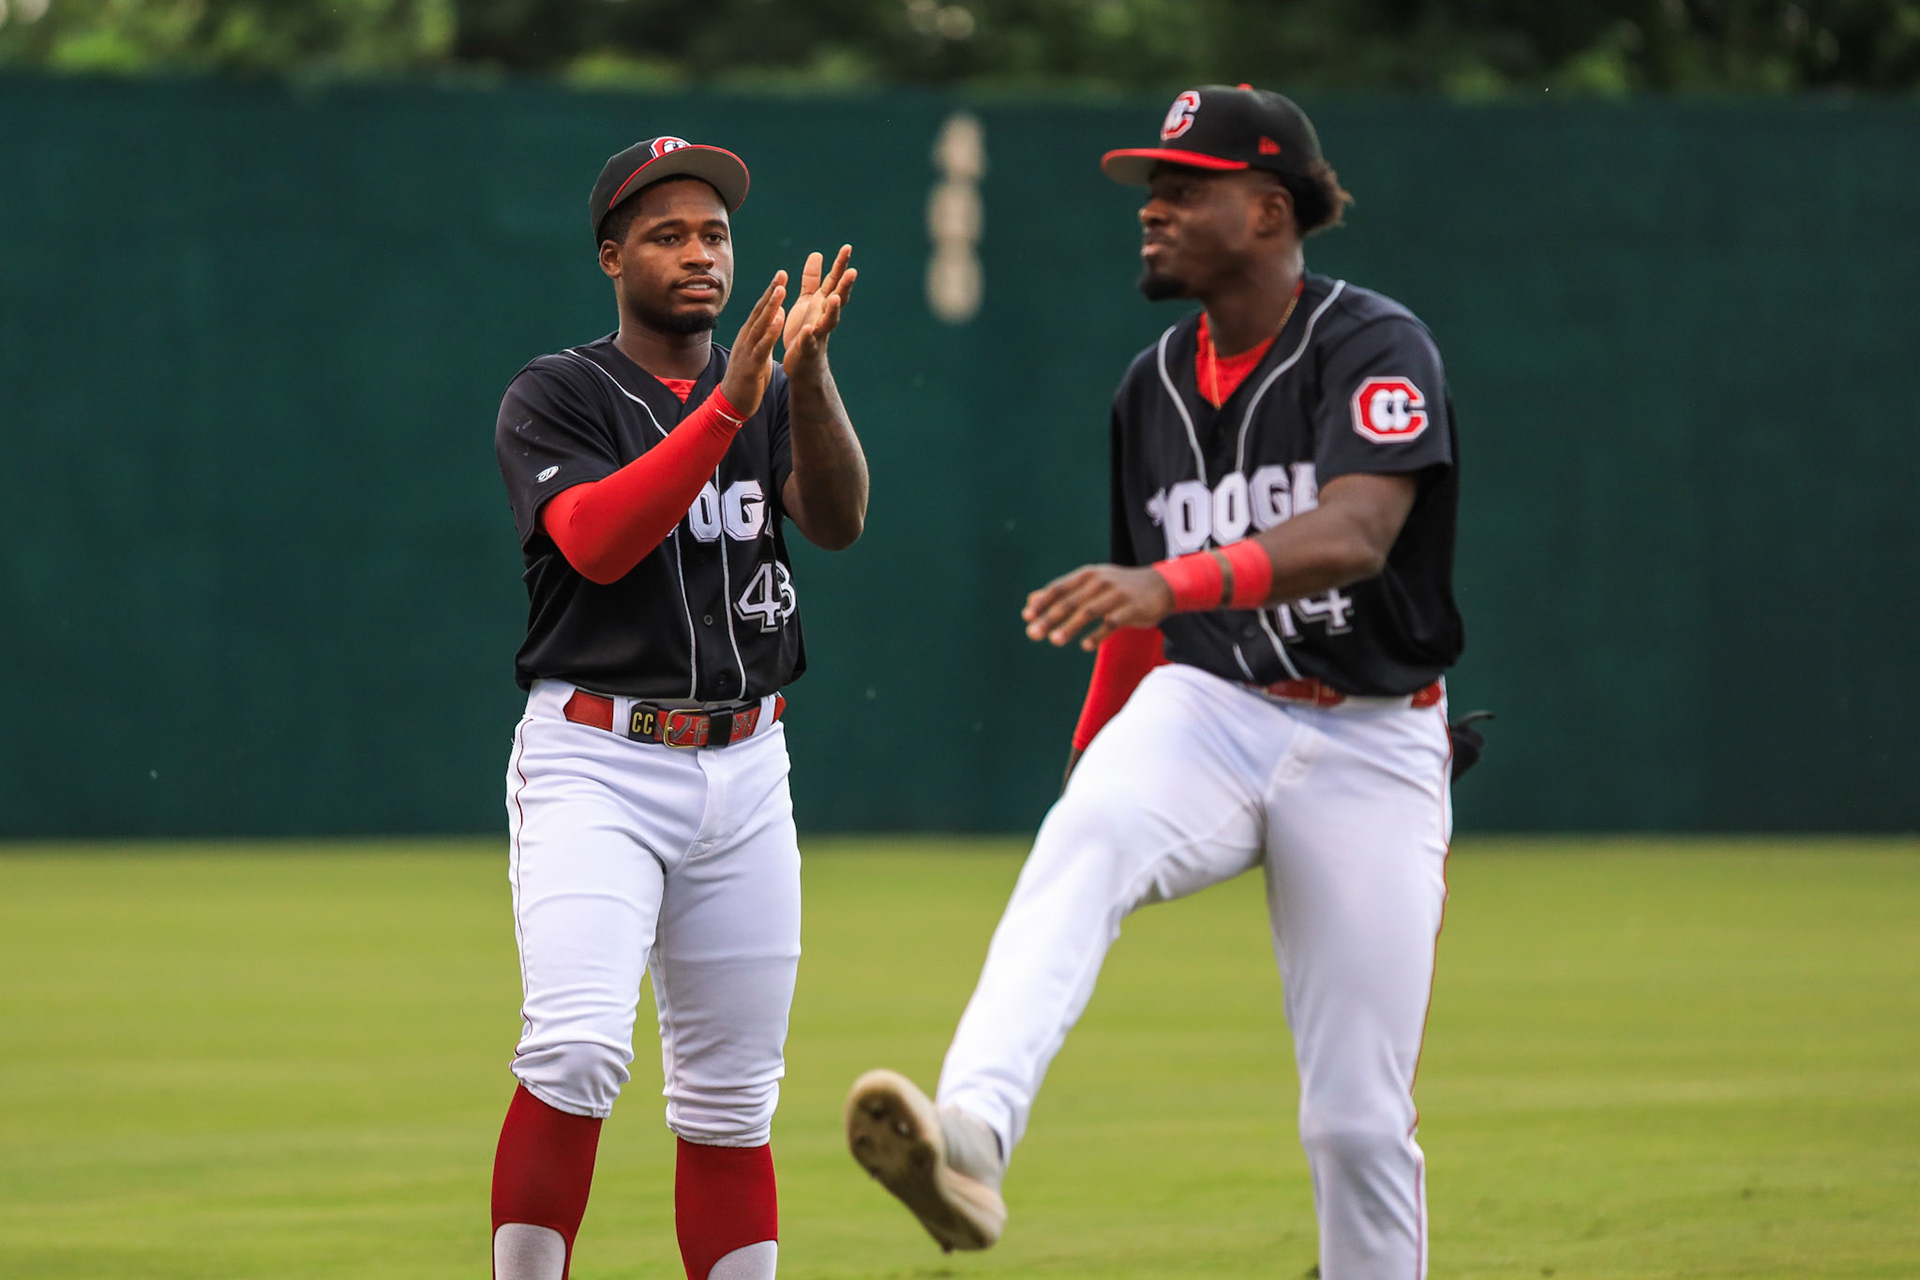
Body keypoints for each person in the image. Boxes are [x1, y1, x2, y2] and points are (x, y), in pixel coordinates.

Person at [846, 85, 1466, 1280]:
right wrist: (1099, 772)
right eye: (1151, 189)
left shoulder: (1374, 344)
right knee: (1083, 841)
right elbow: (1136, 620)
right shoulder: (1152, 385)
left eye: (1184, 188)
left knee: (1355, 1119)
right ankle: (971, 1135)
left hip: (1374, 735)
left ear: (1269, 209)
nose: (1153, 208)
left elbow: (1356, 533)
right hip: (1212, 706)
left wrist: (1172, 583)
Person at [491, 134, 867, 1280]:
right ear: (613, 257)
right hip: (598, 758)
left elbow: (839, 519)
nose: (699, 253)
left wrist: (804, 375)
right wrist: (728, 407)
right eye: (666, 235)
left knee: (731, 1097)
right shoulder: (558, 392)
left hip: (748, 764)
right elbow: (598, 543)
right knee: (575, 1050)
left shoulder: (764, 389)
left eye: (714, 233)